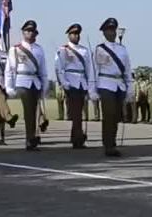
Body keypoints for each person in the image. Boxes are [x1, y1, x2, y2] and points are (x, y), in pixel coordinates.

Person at [5, 20, 50, 150]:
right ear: (23, 32)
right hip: (22, 80)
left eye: (32, 31)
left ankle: (33, 137)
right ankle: (30, 138)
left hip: (35, 81)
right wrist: (9, 86)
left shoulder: (39, 49)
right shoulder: (15, 49)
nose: (30, 33)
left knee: (36, 110)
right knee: (28, 110)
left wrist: (45, 85)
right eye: (27, 31)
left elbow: (43, 70)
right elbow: (10, 69)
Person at [92, 17, 131, 157]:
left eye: (113, 30)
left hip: (119, 85)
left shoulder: (122, 49)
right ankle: (108, 145)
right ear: (104, 33)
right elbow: (94, 70)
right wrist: (93, 89)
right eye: (109, 30)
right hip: (105, 84)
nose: (112, 33)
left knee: (116, 115)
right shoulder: (99, 49)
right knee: (108, 115)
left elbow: (127, 70)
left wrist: (129, 89)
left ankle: (112, 141)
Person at [55, 23, 94, 148]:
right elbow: (59, 68)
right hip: (70, 83)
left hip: (82, 82)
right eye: (73, 34)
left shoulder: (84, 50)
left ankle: (75, 137)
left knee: (79, 112)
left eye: (77, 34)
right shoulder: (63, 49)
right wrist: (64, 83)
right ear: (69, 35)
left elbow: (89, 68)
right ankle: (78, 138)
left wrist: (89, 84)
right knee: (76, 113)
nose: (76, 36)